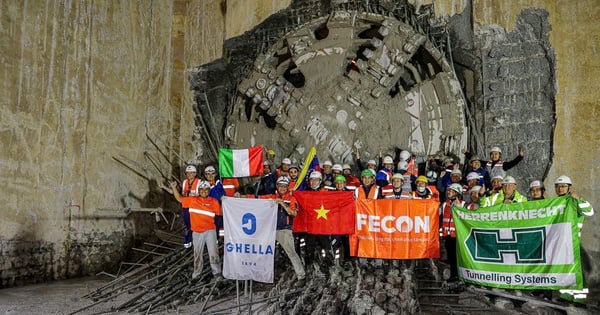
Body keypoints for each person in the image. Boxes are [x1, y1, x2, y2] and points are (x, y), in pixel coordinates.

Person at [252, 176, 306, 287]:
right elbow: (256, 198)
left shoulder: (291, 199)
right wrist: (239, 196)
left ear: (287, 187)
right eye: (280, 185)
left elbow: (294, 213)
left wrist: (282, 203)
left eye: (284, 186)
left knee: (291, 252)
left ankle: (301, 276)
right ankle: (261, 276)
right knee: (263, 251)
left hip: (284, 229)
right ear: (277, 186)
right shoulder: (272, 197)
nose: (282, 188)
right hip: (269, 229)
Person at [169, 180, 222, 280]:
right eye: (202, 189)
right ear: (199, 190)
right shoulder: (192, 200)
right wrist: (173, 187)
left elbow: (221, 213)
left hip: (210, 231)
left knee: (213, 253)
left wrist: (227, 201)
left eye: (206, 189)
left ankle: (217, 273)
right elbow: (180, 199)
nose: (204, 191)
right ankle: (197, 274)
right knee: (197, 254)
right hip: (197, 232)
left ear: (208, 191)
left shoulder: (214, 202)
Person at [554, 175, 594, 303]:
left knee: (577, 271)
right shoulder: (555, 203)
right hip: (561, 242)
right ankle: (566, 295)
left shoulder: (575, 200)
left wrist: (579, 200)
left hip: (574, 241)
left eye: (563, 186)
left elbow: (589, 212)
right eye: (558, 186)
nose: (560, 188)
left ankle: (579, 299)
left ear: (569, 187)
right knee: (565, 269)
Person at [439, 183, 466, 281]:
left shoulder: (463, 204)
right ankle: (453, 276)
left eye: (451, 191)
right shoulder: (445, 204)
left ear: (456, 193)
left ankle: (458, 276)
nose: (448, 192)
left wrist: (459, 209)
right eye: (448, 190)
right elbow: (437, 214)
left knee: (457, 257)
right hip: (448, 236)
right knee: (450, 257)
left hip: (458, 236)